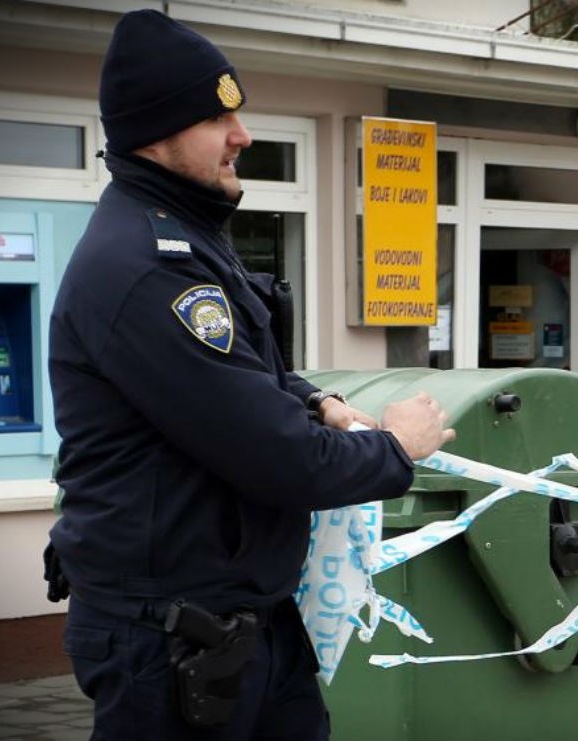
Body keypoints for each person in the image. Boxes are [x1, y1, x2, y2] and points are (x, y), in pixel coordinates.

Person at [45, 10, 454, 740]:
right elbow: (276, 458)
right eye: (217, 118)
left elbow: (236, 374)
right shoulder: (146, 269)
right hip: (170, 634)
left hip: (237, 620)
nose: (244, 136)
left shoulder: (188, 239)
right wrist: (396, 447)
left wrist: (315, 399)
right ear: (154, 133)